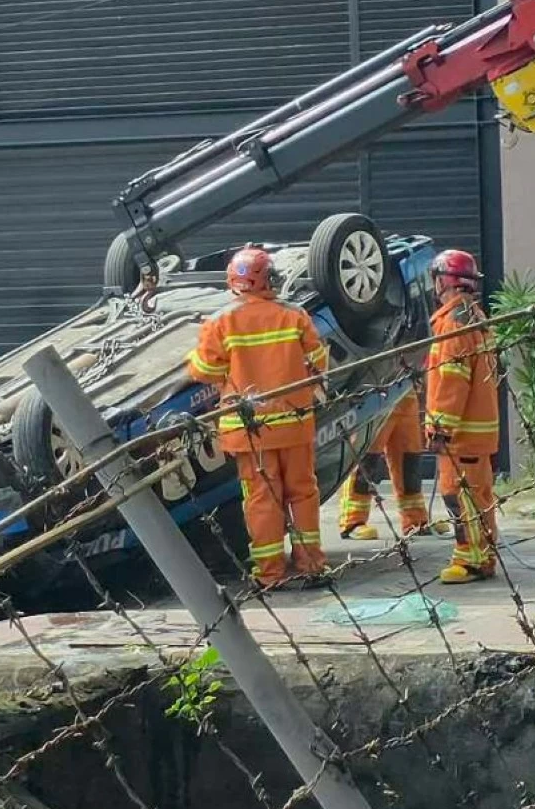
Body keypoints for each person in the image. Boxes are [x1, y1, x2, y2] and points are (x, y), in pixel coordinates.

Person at [187, 247, 329, 587]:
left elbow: (203, 371)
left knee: (263, 500)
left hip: (250, 432)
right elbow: (318, 362)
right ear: (265, 279)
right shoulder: (294, 315)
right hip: (295, 424)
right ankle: (310, 564)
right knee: (303, 493)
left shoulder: (220, 321)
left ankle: (270, 573)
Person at [424, 250, 500, 583]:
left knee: (460, 495)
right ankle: (484, 554)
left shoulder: (453, 324)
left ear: (444, 281)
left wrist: (439, 427)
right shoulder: (475, 317)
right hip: (478, 430)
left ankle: (470, 559)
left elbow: (451, 381)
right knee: (479, 496)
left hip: (461, 433)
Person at [338, 389, 431, 540]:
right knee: (366, 459)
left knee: (409, 461)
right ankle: (353, 521)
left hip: (405, 393)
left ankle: (415, 520)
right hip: (376, 393)